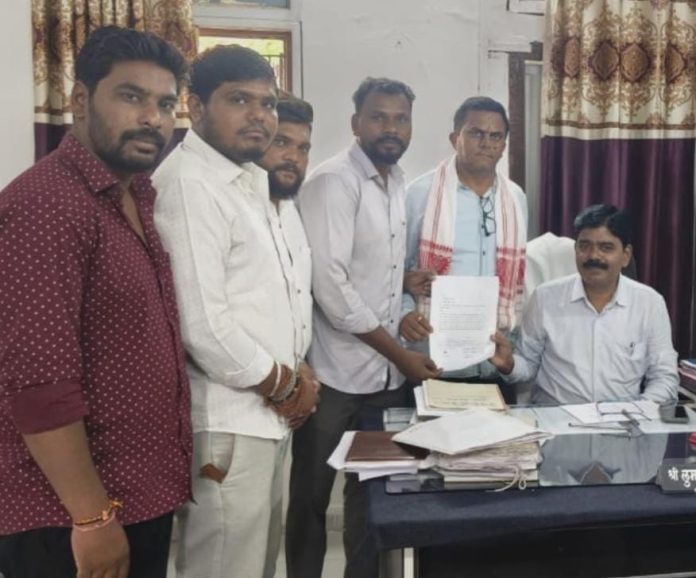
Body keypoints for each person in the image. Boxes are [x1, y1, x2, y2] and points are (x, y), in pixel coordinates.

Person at [0, 26, 191, 578]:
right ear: (81, 100)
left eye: (165, 104)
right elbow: (39, 385)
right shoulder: (47, 206)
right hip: (66, 518)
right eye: (131, 96)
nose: (152, 118)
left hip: (134, 496)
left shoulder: (133, 196)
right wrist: (91, 517)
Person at [153, 46, 318, 578]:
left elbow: (273, 297)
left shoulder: (245, 179)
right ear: (195, 106)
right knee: (225, 566)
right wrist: (286, 385)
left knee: (256, 563)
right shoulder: (190, 184)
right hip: (227, 420)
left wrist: (297, 371)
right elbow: (202, 325)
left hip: (266, 416)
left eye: (267, 103)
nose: (259, 116)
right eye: (239, 100)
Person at [287, 77, 440, 578]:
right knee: (311, 497)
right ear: (356, 123)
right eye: (379, 117)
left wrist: (403, 282)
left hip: (383, 380)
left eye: (401, 119)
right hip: (335, 377)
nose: (391, 128)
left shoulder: (396, 181)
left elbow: (370, 269)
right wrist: (401, 356)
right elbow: (332, 289)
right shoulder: (334, 182)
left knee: (372, 494)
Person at [399, 96, 527, 401]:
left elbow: (517, 278)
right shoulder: (420, 194)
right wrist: (404, 314)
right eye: (476, 133)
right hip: (432, 363)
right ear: (455, 138)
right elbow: (396, 271)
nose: (486, 143)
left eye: (495, 136)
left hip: (493, 363)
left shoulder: (515, 199)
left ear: (504, 145)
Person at [490, 204, 678, 404]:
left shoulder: (649, 303)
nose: (593, 256)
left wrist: (637, 412)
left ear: (626, 256)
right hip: (556, 417)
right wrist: (508, 364)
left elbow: (664, 377)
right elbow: (528, 366)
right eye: (585, 246)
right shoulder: (545, 298)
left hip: (623, 419)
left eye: (606, 247)